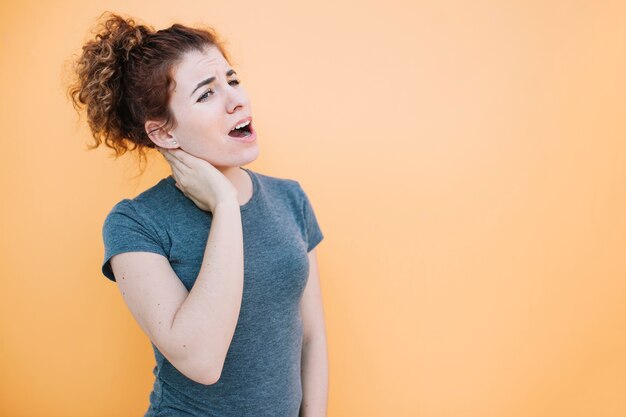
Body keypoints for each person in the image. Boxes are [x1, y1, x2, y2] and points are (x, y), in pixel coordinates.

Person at [68, 12, 328, 417]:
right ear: (164, 133)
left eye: (233, 80)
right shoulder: (136, 224)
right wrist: (224, 206)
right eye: (206, 94)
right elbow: (202, 361)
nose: (236, 99)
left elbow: (311, 338)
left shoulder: (290, 199)